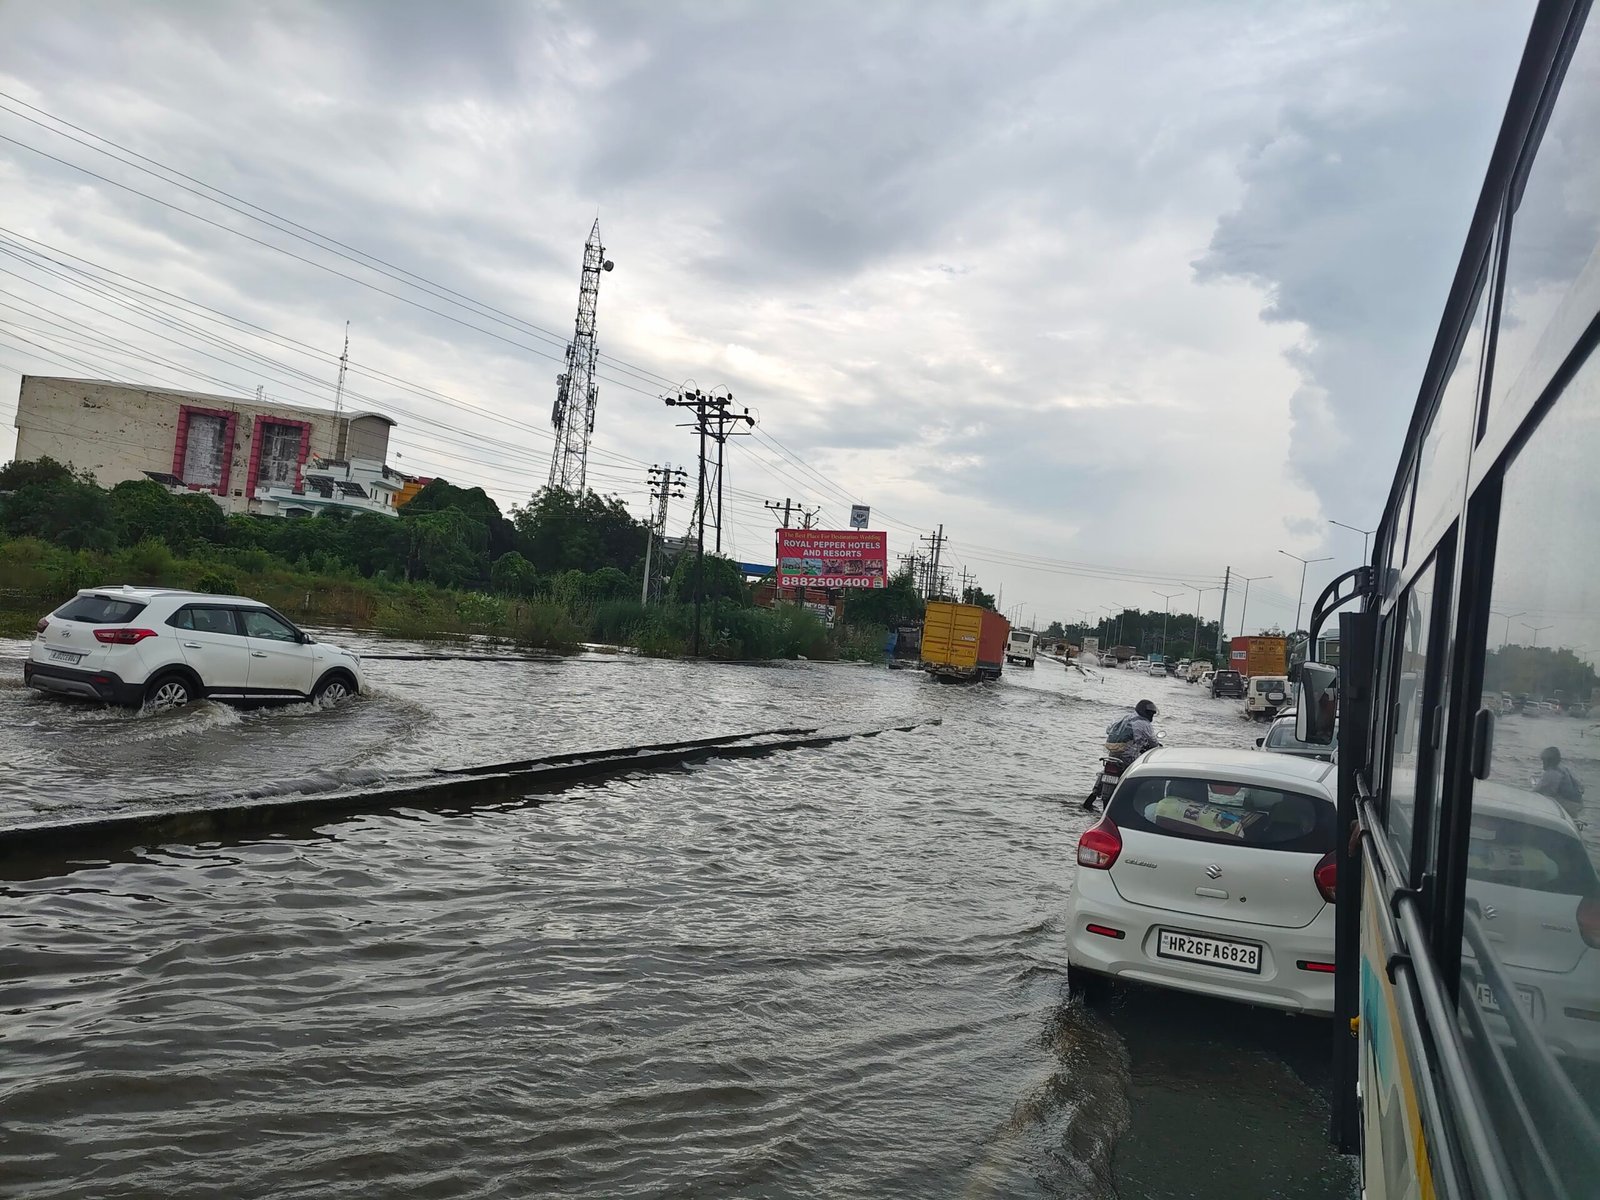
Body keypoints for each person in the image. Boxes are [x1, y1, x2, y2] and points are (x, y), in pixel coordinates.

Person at [1083, 700, 1160, 810]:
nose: (1151, 715)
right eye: (1150, 713)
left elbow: (1108, 730)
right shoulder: (1145, 724)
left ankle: (1090, 800)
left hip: (1112, 753)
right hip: (1128, 757)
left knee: (1105, 774)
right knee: (1134, 778)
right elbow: (1153, 741)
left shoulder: (1124, 718)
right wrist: (1157, 746)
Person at [1534, 746, 1586, 820]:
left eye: (1544, 760)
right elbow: (1581, 787)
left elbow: (1544, 791)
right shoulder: (1564, 769)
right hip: (1577, 804)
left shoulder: (1552, 773)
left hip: (1567, 805)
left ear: (1549, 761)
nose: (1543, 763)